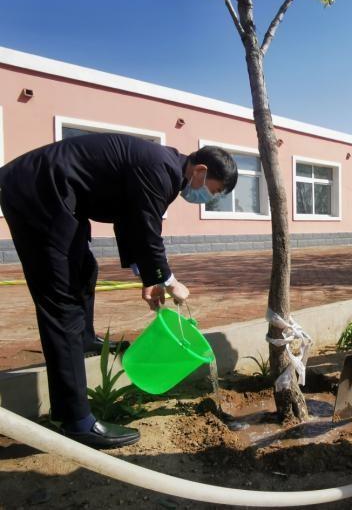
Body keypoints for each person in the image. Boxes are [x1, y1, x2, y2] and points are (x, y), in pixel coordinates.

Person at [0, 133, 237, 449]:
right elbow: (147, 229)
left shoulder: (164, 168)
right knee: (62, 303)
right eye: (214, 190)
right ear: (200, 171)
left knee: (85, 270)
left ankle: (84, 339)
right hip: (40, 192)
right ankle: (75, 420)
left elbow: (128, 221)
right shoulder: (161, 169)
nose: (209, 197)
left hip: (57, 194)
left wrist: (148, 279)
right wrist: (168, 279)